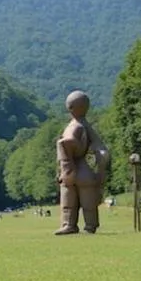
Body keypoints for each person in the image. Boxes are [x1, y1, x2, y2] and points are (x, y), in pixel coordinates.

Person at [55, 90, 109, 235]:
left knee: (68, 200)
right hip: (85, 169)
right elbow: (101, 148)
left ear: (70, 107)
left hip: (71, 168)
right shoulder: (87, 127)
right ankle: (90, 225)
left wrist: (65, 167)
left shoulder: (74, 126)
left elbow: (66, 142)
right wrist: (100, 165)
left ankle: (69, 224)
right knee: (88, 201)